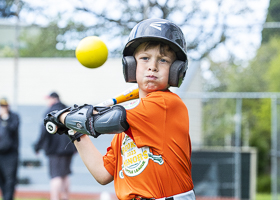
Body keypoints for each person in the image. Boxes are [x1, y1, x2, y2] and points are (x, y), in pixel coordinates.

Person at [44, 18, 195, 200]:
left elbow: (109, 120)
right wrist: (74, 130)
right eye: (145, 58)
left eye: (163, 60)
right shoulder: (128, 126)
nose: (152, 66)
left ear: (176, 70)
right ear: (131, 65)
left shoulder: (166, 104)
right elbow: (102, 173)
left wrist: (63, 117)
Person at [34, 92, 77, 200]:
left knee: (56, 176)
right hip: (69, 148)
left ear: (53, 99)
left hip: (55, 150)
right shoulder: (68, 110)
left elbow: (44, 132)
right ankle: (66, 197)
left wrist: (37, 147)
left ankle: (55, 198)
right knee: (65, 174)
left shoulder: (49, 112)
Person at [0, 98, 20, 200]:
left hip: (10, 154)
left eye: (4, 106)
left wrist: (5, 118)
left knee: (10, 179)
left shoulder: (13, 117)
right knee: (2, 179)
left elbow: (12, 129)